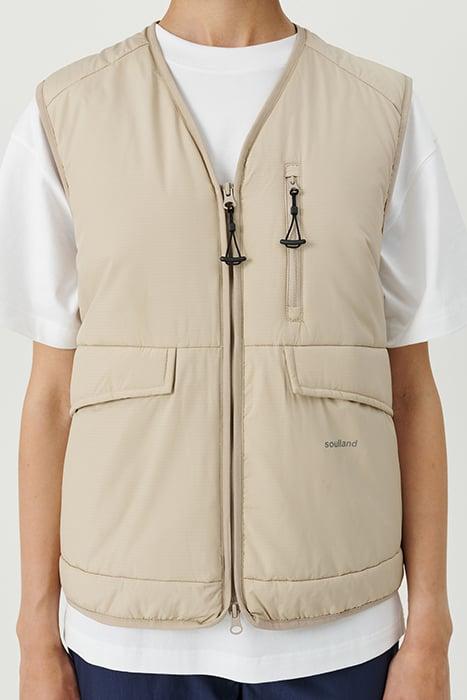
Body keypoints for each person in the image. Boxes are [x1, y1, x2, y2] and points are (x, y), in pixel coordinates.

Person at [0, 1, 464, 698]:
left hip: (339, 636)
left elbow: (412, 390)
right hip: (127, 640)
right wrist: (35, 637)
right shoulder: (68, 112)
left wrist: (430, 630)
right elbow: (50, 397)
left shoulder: (381, 109)